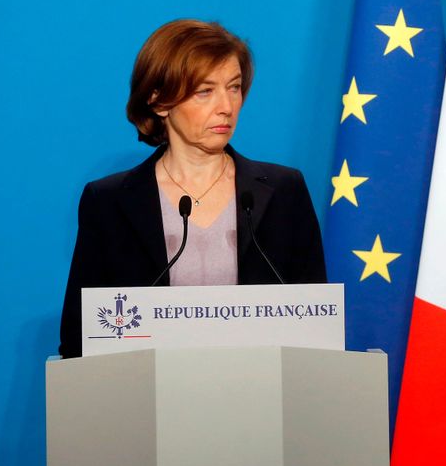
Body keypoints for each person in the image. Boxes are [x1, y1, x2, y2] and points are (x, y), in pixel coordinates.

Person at [59, 19, 327, 358]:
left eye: (234, 87)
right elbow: (80, 337)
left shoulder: (284, 191)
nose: (226, 107)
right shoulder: (109, 202)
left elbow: (317, 324)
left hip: (261, 396)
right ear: (159, 101)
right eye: (205, 91)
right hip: (145, 401)